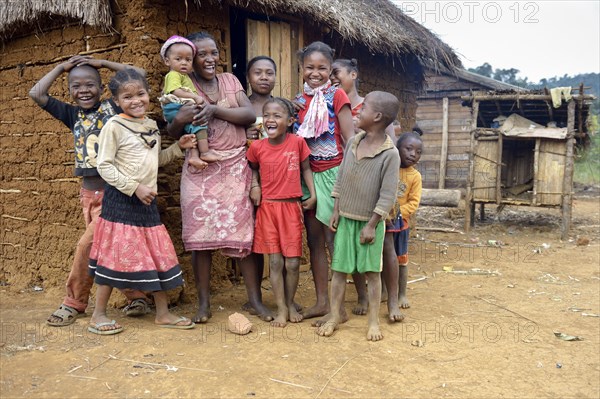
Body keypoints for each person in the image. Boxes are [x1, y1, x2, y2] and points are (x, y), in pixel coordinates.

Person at [29, 55, 152, 327]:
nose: (83, 90)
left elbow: (138, 73)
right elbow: (35, 93)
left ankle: (73, 302)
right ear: (69, 90)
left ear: (101, 87)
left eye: (90, 85)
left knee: (86, 246)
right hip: (89, 195)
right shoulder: (71, 114)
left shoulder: (112, 107)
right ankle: (136, 296)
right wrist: (61, 67)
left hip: (114, 193)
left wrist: (104, 64)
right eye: (76, 86)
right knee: (104, 249)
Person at [166, 31, 273, 323]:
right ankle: (204, 303)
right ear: (189, 57)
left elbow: (249, 116)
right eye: (202, 54)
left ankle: (255, 300)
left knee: (247, 237)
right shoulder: (181, 85)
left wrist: (214, 110)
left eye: (214, 52)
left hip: (236, 167)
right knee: (201, 238)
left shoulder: (230, 81)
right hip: (199, 169)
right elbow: (172, 130)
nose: (210, 58)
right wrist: (182, 118)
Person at [87, 69, 197, 334]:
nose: (136, 100)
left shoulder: (149, 125)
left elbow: (154, 161)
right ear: (116, 101)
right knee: (114, 256)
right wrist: (134, 187)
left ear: (149, 95)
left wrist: (177, 148)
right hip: (122, 200)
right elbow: (104, 166)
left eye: (141, 94)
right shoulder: (114, 126)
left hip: (146, 201)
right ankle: (98, 315)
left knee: (155, 255)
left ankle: (163, 313)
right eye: (127, 97)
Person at [316, 91, 400, 341]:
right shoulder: (353, 142)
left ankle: (373, 322)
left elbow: (387, 195)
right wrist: (336, 208)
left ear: (376, 116)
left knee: (372, 274)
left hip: (369, 225)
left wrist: (372, 225)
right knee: (339, 271)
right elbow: (341, 177)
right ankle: (333, 316)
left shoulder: (390, 154)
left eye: (362, 110)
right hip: (345, 220)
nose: (357, 112)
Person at [292, 41, 354, 319]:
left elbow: (350, 139)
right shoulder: (297, 101)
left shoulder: (338, 96)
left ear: (331, 70)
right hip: (307, 176)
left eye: (322, 68)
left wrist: (348, 177)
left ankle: (338, 307)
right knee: (315, 241)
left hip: (333, 173)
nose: (315, 73)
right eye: (309, 67)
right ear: (301, 68)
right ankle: (321, 302)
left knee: (333, 240)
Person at [246, 97, 316, 327]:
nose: (270, 120)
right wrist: (255, 186)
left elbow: (306, 169)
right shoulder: (257, 147)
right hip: (268, 208)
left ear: (290, 120)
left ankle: (290, 300)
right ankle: (282, 309)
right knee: (275, 263)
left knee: (293, 263)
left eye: (277, 116)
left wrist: (312, 194)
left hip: (291, 208)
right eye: (267, 116)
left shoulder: (297, 143)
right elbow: (253, 170)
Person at [159, 35, 222, 170]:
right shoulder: (173, 75)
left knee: (191, 131)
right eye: (178, 59)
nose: (184, 63)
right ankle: (205, 152)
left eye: (188, 60)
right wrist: (195, 98)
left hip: (178, 107)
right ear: (167, 61)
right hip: (175, 108)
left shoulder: (183, 76)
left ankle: (194, 156)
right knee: (200, 124)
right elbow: (175, 91)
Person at [389, 132, 423, 309]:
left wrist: (395, 211)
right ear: (397, 148)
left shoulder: (415, 177)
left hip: (401, 224)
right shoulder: (388, 167)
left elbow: (413, 203)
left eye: (418, 152)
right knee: (384, 257)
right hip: (385, 222)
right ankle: (384, 292)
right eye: (408, 149)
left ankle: (401, 294)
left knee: (401, 259)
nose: (413, 154)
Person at [246, 55, 277, 144]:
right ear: (248, 77)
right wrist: (243, 135)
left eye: (269, 73)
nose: (264, 77)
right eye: (258, 73)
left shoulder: (282, 106)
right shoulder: (242, 107)